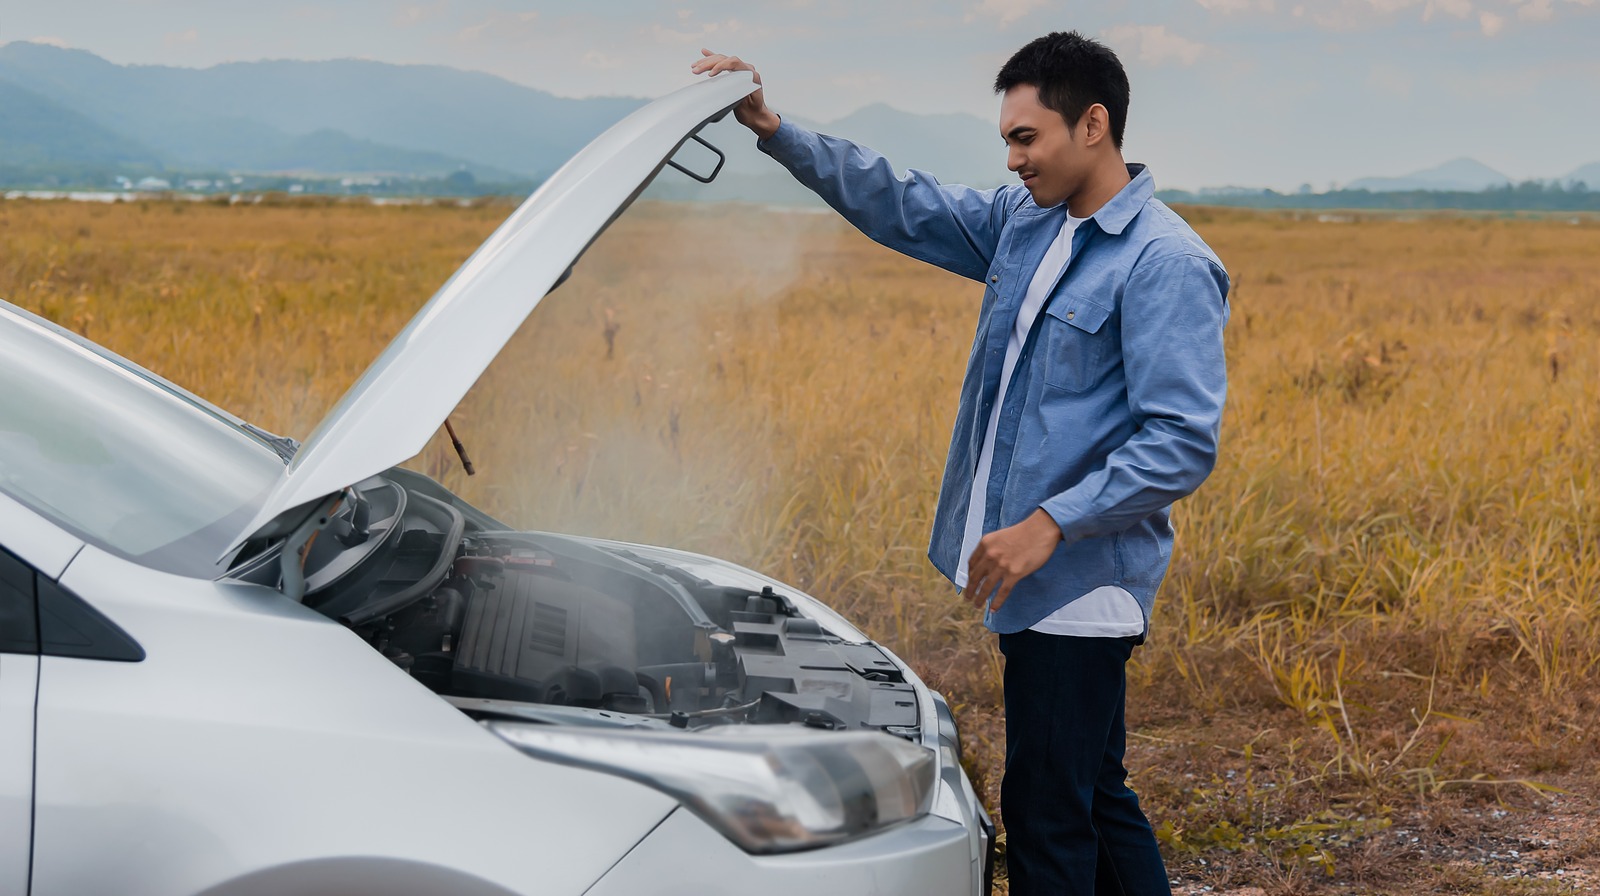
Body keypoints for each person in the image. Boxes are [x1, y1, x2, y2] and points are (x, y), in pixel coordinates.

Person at [694, 31, 1227, 896]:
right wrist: (774, 129)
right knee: (1093, 794)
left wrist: (1048, 525)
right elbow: (902, 202)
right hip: (1034, 576)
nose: (1014, 159)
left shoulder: (1165, 262)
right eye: (1008, 140)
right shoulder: (1028, 223)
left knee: (1048, 814)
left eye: (1027, 137)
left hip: (1081, 584)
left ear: (1093, 125)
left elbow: (1181, 440)